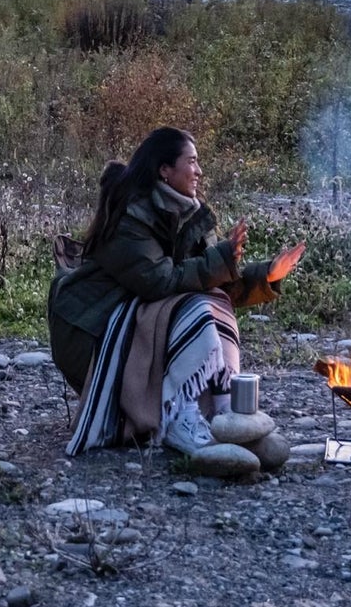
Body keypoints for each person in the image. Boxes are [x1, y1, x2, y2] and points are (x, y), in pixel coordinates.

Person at [48, 126, 303, 457]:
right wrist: (221, 259)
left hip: (138, 318)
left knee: (214, 301)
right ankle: (179, 415)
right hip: (93, 328)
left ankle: (222, 410)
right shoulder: (129, 215)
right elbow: (158, 282)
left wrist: (267, 275)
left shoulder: (190, 214)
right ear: (165, 170)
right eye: (191, 162)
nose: (199, 171)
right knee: (195, 308)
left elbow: (212, 279)